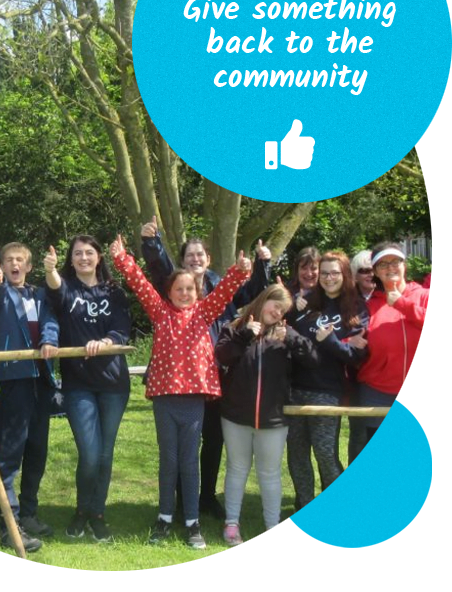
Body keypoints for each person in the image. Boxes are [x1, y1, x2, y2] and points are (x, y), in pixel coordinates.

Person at [110, 235, 251, 549]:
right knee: (168, 460)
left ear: (198, 292)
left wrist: (240, 271)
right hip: (164, 398)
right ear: (170, 292)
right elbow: (139, 284)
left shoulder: (204, 313)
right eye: (179, 289)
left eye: (190, 289)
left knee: (189, 461)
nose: (185, 293)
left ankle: (192, 522)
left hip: (193, 400)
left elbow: (227, 290)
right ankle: (163, 517)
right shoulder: (160, 313)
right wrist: (122, 258)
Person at [140, 217, 272, 520]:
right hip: (178, 380)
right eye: (190, 256)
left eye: (200, 255)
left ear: (208, 259)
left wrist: (262, 264)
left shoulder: (218, 289)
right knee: (177, 445)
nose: (195, 259)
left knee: (213, 439)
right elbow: (159, 267)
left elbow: (249, 289)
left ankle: (206, 497)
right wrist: (152, 242)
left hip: (217, 375)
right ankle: (178, 502)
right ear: (182, 262)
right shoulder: (175, 291)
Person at [43, 236, 131, 542]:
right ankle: (82, 510)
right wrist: (51, 270)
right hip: (78, 384)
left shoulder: (114, 292)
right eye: (77, 254)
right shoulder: (66, 288)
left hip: (113, 384)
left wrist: (105, 342)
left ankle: (97, 514)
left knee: (105, 455)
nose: (83, 258)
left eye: (89, 253)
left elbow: (121, 330)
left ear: (98, 258)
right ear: (71, 259)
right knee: (90, 454)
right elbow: (55, 290)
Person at [215, 284, 318, 545]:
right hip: (236, 415)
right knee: (237, 469)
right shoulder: (235, 326)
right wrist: (244, 335)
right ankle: (231, 524)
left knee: (270, 473)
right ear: (263, 300)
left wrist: (292, 339)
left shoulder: (285, 334)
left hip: (273, 419)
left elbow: (312, 360)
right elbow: (222, 355)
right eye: (275, 305)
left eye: (283, 310)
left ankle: (272, 525)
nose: (277, 312)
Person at [0, 242, 59, 553]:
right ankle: (9, 522)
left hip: (40, 380)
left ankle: (28, 513)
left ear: (29, 266)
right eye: (8, 260)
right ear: (1, 266)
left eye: (20, 260)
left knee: (37, 451)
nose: (14, 264)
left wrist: (49, 339)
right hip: (14, 379)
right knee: (10, 452)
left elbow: (51, 322)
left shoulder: (39, 294)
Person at [287, 251, 368, 511]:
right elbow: (284, 331)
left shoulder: (355, 307)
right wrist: (291, 309)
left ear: (344, 275)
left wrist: (331, 341)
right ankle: (304, 506)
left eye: (335, 272)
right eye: (324, 273)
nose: (329, 277)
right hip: (294, 389)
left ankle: (337, 508)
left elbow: (356, 356)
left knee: (324, 453)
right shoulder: (305, 302)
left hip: (327, 391)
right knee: (297, 454)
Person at [357, 242, 449, 445]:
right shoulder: (368, 306)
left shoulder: (425, 296)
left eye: (395, 261)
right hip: (378, 393)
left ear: (404, 265)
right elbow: (353, 340)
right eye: (383, 264)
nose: (390, 268)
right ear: (375, 272)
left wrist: (401, 304)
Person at [345, 249, 374, 462]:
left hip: (385, 377)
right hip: (356, 377)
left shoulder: (389, 298)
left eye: (374, 270)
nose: (370, 274)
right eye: (364, 270)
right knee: (359, 434)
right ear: (355, 274)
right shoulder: (347, 302)